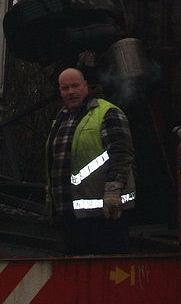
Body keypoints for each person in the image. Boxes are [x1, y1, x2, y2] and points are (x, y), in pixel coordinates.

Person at [46, 67, 136, 254]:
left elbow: (122, 155)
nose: (71, 92)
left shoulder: (107, 113)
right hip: (69, 215)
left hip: (104, 216)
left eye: (75, 86)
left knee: (106, 273)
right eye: (65, 88)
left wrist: (113, 192)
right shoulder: (61, 118)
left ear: (86, 86)